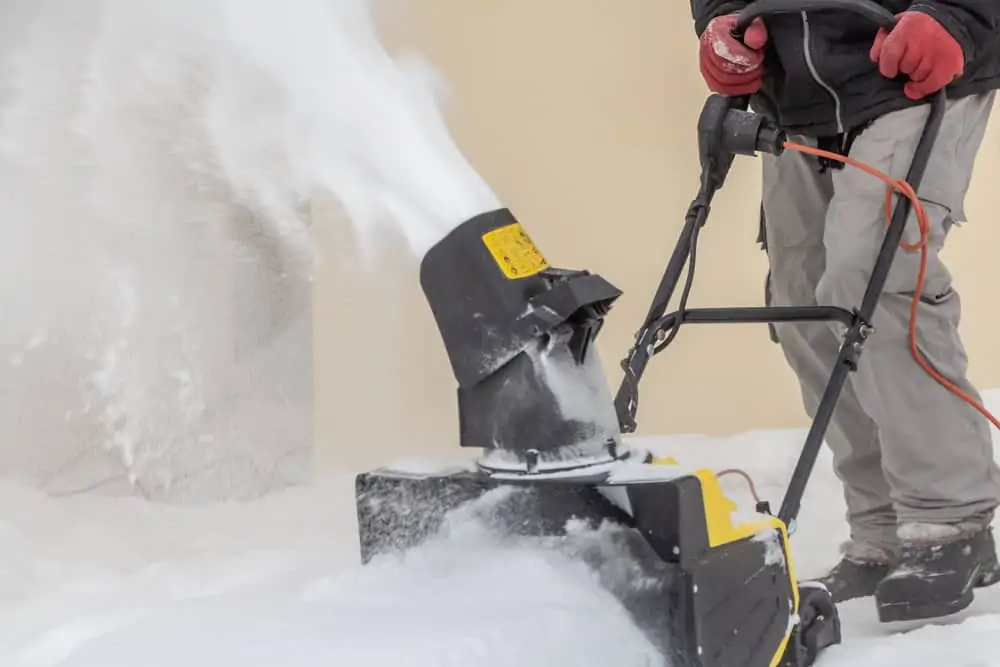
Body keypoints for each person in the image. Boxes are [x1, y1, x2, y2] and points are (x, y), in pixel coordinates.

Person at [691, 1, 1000, 621]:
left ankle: (950, 517)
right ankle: (882, 527)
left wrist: (959, 16)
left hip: (919, 67)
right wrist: (720, 19)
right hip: (792, 92)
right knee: (802, 300)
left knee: (872, 270)